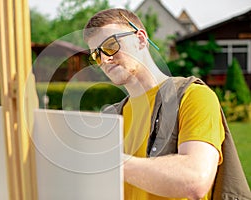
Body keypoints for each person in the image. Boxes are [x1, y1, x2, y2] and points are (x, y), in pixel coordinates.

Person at [83, 8, 226, 200]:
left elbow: (195, 180)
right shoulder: (111, 116)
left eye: (111, 45)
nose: (105, 59)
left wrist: (112, 162)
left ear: (141, 39)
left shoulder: (193, 96)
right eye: (96, 55)